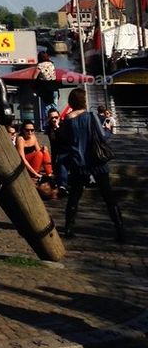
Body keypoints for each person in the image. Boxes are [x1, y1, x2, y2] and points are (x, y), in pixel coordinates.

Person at [59, 88, 124, 243]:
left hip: (78, 162)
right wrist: (108, 131)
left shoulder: (67, 119)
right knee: (108, 196)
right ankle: (120, 229)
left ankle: (68, 228)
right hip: (96, 161)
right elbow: (102, 137)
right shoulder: (90, 116)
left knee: (74, 195)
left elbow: (65, 140)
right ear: (83, 100)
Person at [15, 121, 57, 197]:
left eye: (32, 130)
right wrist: (35, 173)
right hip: (24, 165)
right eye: (27, 130)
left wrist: (44, 149)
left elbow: (39, 151)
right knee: (39, 154)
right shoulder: (20, 139)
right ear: (23, 130)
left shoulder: (33, 137)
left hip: (33, 163)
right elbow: (22, 158)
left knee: (44, 150)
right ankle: (35, 177)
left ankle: (49, 174)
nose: (30, 132)